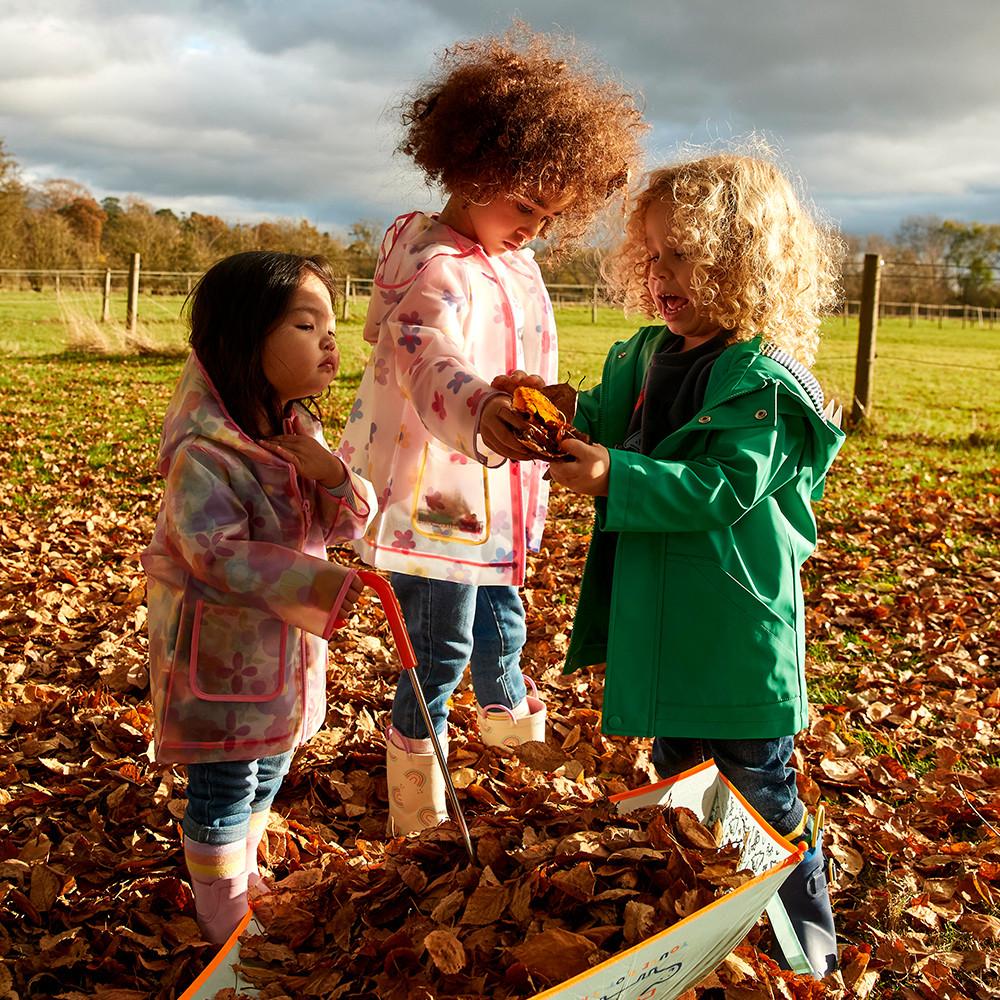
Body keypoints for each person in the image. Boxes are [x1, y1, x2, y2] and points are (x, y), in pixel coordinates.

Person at [499, 150, 845, 978]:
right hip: (666, 620)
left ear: (742, 260)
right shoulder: (652, 355)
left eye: (684, 253)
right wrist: (556, 408)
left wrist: (615, 474)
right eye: (652, 255)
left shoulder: (763, 383)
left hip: (735, 632)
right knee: (680, 782)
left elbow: (724, 488)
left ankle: (806, 948)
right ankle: (703, 938)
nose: (662, 273)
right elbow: (616, 420)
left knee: (759, 789)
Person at [337, 23, 645, 834]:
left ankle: (509, 732)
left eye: (552, 216)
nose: (536, 229)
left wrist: (542, 399)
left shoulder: (511, 258)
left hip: (494, 483)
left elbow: (519, 347)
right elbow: (425, 356)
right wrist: (481, 407)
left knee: (504, 616)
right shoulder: (436, 266)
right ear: (473, 169)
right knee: (439, 640)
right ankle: (416, 778)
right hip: (435, 486)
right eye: (526, 206)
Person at [141, 251, 377, 945]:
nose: (329, 340)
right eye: (307, 325)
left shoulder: (296, 428)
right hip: (221, 653)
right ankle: (217, 897)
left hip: (280, 652)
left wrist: (334, 475)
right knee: (225, 779)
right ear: (245, 339)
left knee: (272, 760)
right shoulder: (206, 452)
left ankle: (240, 867)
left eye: (331, 324)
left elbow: (343, 523)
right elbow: (209, 551)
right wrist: (320, 586)